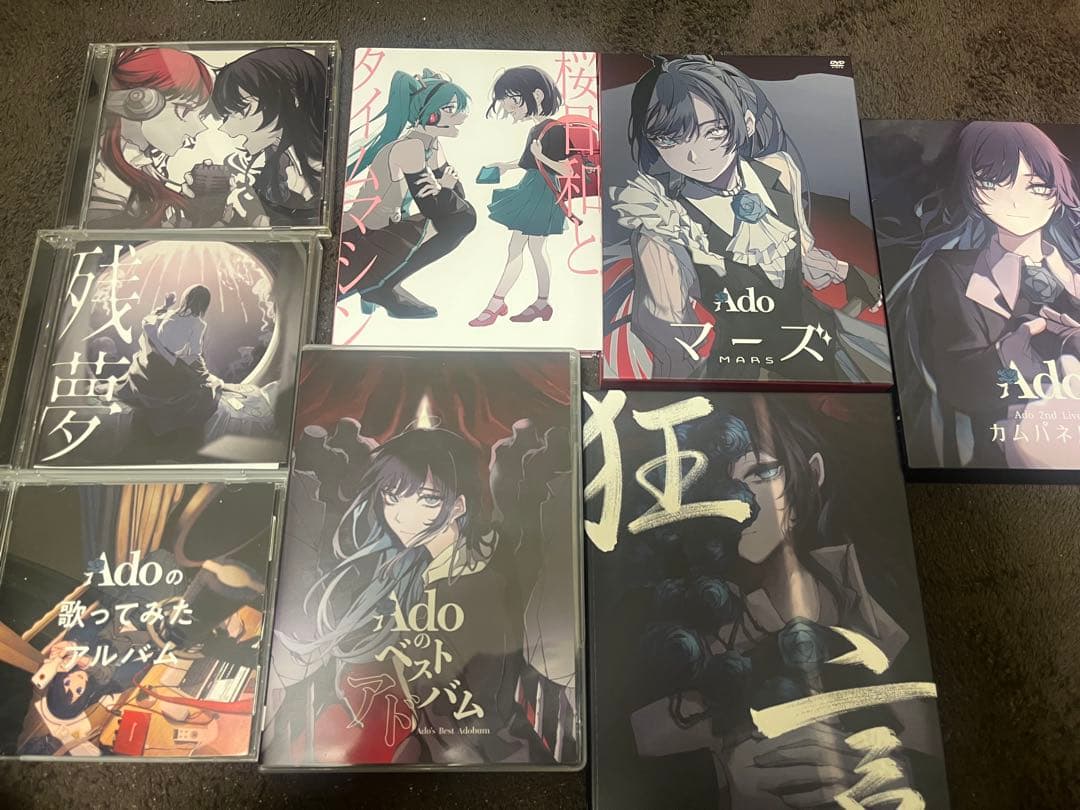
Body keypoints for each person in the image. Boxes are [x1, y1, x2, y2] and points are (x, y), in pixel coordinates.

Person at [605, 56, 881, 381]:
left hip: (815, 337)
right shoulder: (662, 228)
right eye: (670, 139)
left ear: (746, 123)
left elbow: (800, 254)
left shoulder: (780, 170)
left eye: (713, 131)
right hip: (746, 366)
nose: (693, 155)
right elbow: (671, 337)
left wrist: (840, 270)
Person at [886, 121, 1080, 467]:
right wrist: (1006, 359)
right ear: (971, 189)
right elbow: (954, 382)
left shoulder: (1073, 276)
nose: (1016, 202)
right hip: (990, 452)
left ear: (1057, 192)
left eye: (1036, 186)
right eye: (993, 183)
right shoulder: (952, 270)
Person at [337, 70, 476, 319]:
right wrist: (444, 187)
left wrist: (445, 188)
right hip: (364, 234)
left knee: (463, 216)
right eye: (449, 110)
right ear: (428, 112)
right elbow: (433, 208)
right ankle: (379, 285)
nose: (460, 117)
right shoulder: (410, 148)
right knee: (462, 219)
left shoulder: (431, 146)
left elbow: (458, 197)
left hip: (388, 229)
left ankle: (382, 284)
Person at [469, 66, 572, 327]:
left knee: (521, 248)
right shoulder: (536, 129)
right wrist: (505, 166)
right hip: (533, 188)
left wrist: (541, 156)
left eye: (514, 103)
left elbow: (566, 169)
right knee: (533, 249)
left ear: (537, 95)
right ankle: (541, 303)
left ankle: (496, 305)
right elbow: (529, 162)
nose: (510, 110)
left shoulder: (556, 129)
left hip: (543, 192)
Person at [89, 47, 213, 227]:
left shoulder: (140, 164)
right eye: (185, 110)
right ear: (139, 102)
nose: (199, 128)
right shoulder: (106, 178)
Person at [212, 47, 328, 226]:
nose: (227, 130)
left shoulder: (330, 163)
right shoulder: (273, 168)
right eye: (227, 116)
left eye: (242, 111)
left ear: (292, 97)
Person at [117, 284, 222, 450]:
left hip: (150, 365)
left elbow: (148, 321)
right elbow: (194, 354)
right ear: (204, 304)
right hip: (169, 370)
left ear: (186, 298)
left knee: (200, 380)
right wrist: (203, 373)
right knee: (208, 389)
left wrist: (166, 305)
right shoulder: (199, 324)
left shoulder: (169, 314)